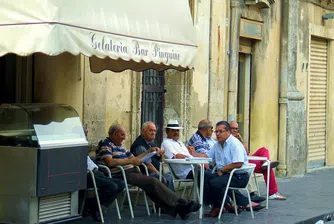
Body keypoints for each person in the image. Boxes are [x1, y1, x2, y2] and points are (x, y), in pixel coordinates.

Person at [95, 124, 201, 220]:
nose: (124, 137)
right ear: (114, 134)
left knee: (153, 187)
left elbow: (136, 159)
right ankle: (182, 203)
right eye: (122, 135)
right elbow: (109, 161)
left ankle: (178, 209)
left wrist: (148, 152)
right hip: (121, 174)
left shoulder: (120, 146)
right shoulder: (106, 144)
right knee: (153, 181)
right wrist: (130, 161)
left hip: (131, 171)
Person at [188, 121, 265, 217]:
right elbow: (206, 156)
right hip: (227, 174)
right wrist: (193, 153)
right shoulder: (217, 144)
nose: (218, 134)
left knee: (214, 183)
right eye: (216, 132)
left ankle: (220, 206)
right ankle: (221, 205)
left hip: (239, 176)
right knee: (204, 176)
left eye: (220, 131)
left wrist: (223, 170)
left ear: (228, 132)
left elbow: (238, 163)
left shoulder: (234, 144)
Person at [229, 121, 286, 200]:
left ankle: (265, 162)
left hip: (247, 157)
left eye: (236, 129)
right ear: (228, 128)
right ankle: (272, 193)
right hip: (243, 161)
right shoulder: (229, 140)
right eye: (233, 128)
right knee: (268, 169)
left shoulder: (237, 139)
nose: (235, 130)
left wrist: (241, 139)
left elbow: (246, 151)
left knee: (263, 150)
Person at [82, 127, 125, 222]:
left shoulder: (84, 146)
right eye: (84, 134)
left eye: (86, 134)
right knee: (112, 186)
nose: (86, 137)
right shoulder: (77, 147)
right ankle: (94, 207)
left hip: (96, 172)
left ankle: (92, 205)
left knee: (121, 184)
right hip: (87, 175)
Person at [130, 121, 174, 191]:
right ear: (143, 131)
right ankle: (167, 200)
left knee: (168, 176)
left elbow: (159, 160)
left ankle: (172, 200)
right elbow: (148, 165)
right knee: (162, 178)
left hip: (154, 172)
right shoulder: (139, 145)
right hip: (145, 174)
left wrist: (161, 154)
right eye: (150, 130)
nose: (153, 133)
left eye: (154, 131)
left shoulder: (151, 143)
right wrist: (159, 174)